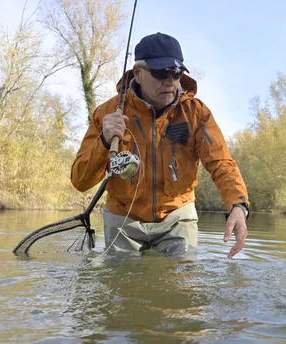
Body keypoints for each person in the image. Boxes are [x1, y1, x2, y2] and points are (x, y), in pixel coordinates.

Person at [71, 32, 249, 258]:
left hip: (177, 214)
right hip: (123, 216)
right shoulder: (106, 114)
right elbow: (80, 181)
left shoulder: (196, 113)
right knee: (120, 288)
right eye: (160, 73)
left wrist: (238, 205)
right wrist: (104, 141)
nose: (170, 82)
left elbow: (221, 163)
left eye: (176, 74)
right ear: (138, 72)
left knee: (181, 285)